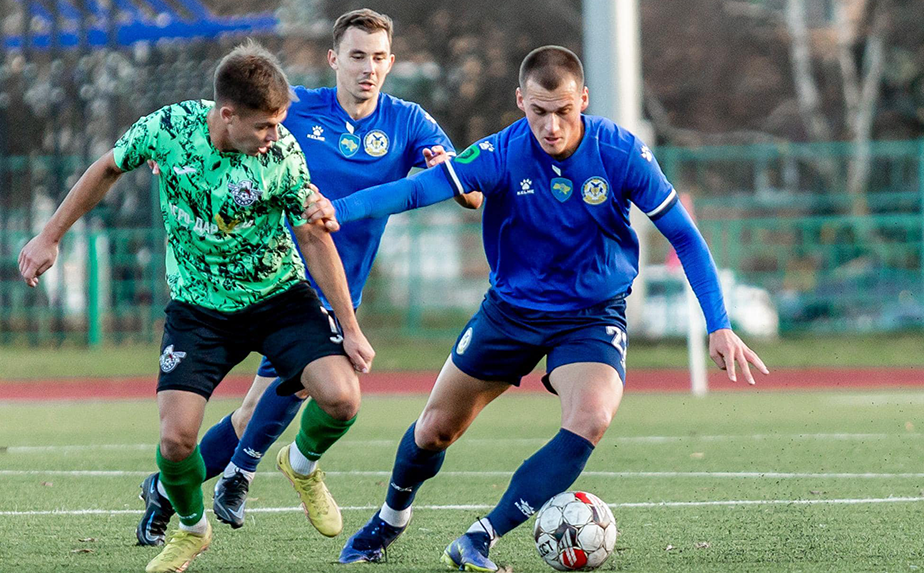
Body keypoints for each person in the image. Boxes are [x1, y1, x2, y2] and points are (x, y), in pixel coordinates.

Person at [305, 45, 770, 570]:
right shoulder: (499, 153)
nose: (551, 126)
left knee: (591, 417)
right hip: (509, 313)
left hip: (591, 317)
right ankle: (389, 519)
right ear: (520, 101)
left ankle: (480, 536)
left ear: (583, 100)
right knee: (435, 430)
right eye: (539, 111)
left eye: (564, 111)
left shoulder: (619, 153)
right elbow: (416, 191)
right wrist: (338, 208)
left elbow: (684, 236)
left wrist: (719, 325)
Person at [18, 41, 375, 573]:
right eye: (264, 125)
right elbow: (107, 167)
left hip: (277, 297)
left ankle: (301, 464)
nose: (275, 135)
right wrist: (50, 235)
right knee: (176, 440)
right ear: (227, 115)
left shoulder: (281, 154)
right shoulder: (168, 130)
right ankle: (192, 529)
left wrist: (350, 327)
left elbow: (312, 235)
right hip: (199, 310)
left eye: (279, 123)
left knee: (343, 398)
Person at [132, 9, 481, 546]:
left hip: (341, 286)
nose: (368, 68)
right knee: (290, 399)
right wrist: (175, 153)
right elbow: (231, 113)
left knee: (255, 411)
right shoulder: (298, 110)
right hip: (280, 284)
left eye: (378, 57)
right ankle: (244, 475)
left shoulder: (409, 122)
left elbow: (472, 192)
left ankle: (170, 488)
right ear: (333, 59)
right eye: (357, 56)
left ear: (391, 62)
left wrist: (447, 177)